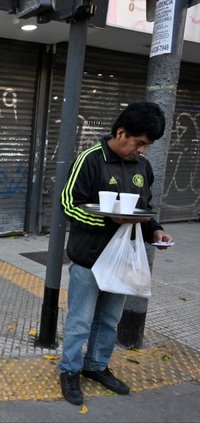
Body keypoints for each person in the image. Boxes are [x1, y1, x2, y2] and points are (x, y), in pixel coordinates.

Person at [59, 102, 174, 405]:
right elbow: (69, 205)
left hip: (122, 260)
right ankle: (69, 371)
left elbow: (144, 211)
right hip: (89, 259)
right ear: (121, 132)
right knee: (80, 321)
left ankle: (96, 366)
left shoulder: (142, 168)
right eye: (139, 143)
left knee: (109, 320)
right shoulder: (90, 160)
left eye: (147, 145)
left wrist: (156, 231)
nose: (142, 150)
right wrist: (107, 219)